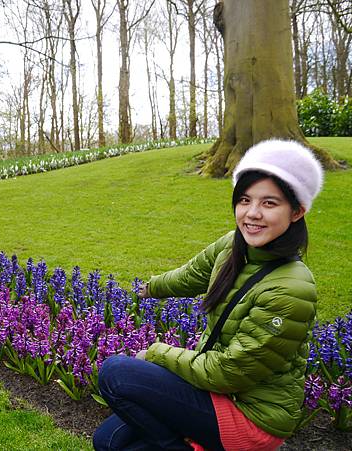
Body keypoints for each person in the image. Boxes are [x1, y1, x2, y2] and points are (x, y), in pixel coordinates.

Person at [93, 139, 323, 451]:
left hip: (251, 416)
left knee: (116, 373)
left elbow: (229, 371)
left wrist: (158, 354)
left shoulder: (291, 289)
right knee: (107, 441)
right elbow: (191, 275)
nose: (252, 214)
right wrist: (149, 288)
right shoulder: (233, 245)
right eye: (244, 200)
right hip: (216, 392)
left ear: (296, 212)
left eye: (269, 203)